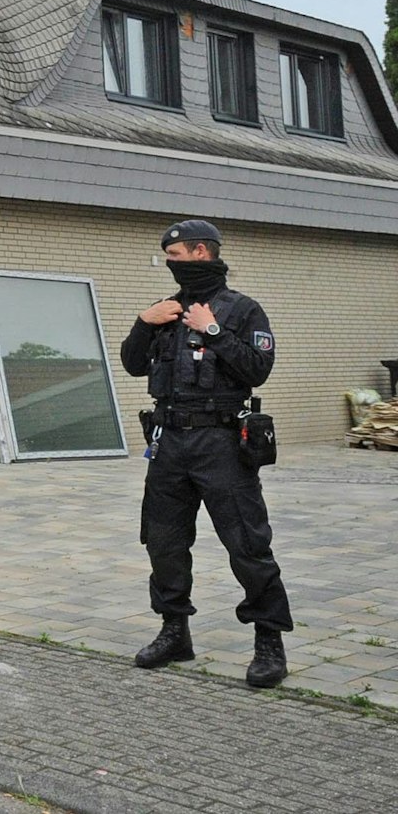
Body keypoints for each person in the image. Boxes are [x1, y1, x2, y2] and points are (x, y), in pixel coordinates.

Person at [119, 219, 290, 689]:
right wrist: (142, 322)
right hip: (169, 441)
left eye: (174, 256)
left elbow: (258, 368)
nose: (169, 265)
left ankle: (269, 640)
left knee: (247, 543)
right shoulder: (167, 309)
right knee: (164, 540)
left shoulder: (242, 310)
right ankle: (175, 632)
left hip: (220, 442)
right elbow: (134, 365)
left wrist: (211, 329)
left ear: (200, 253)